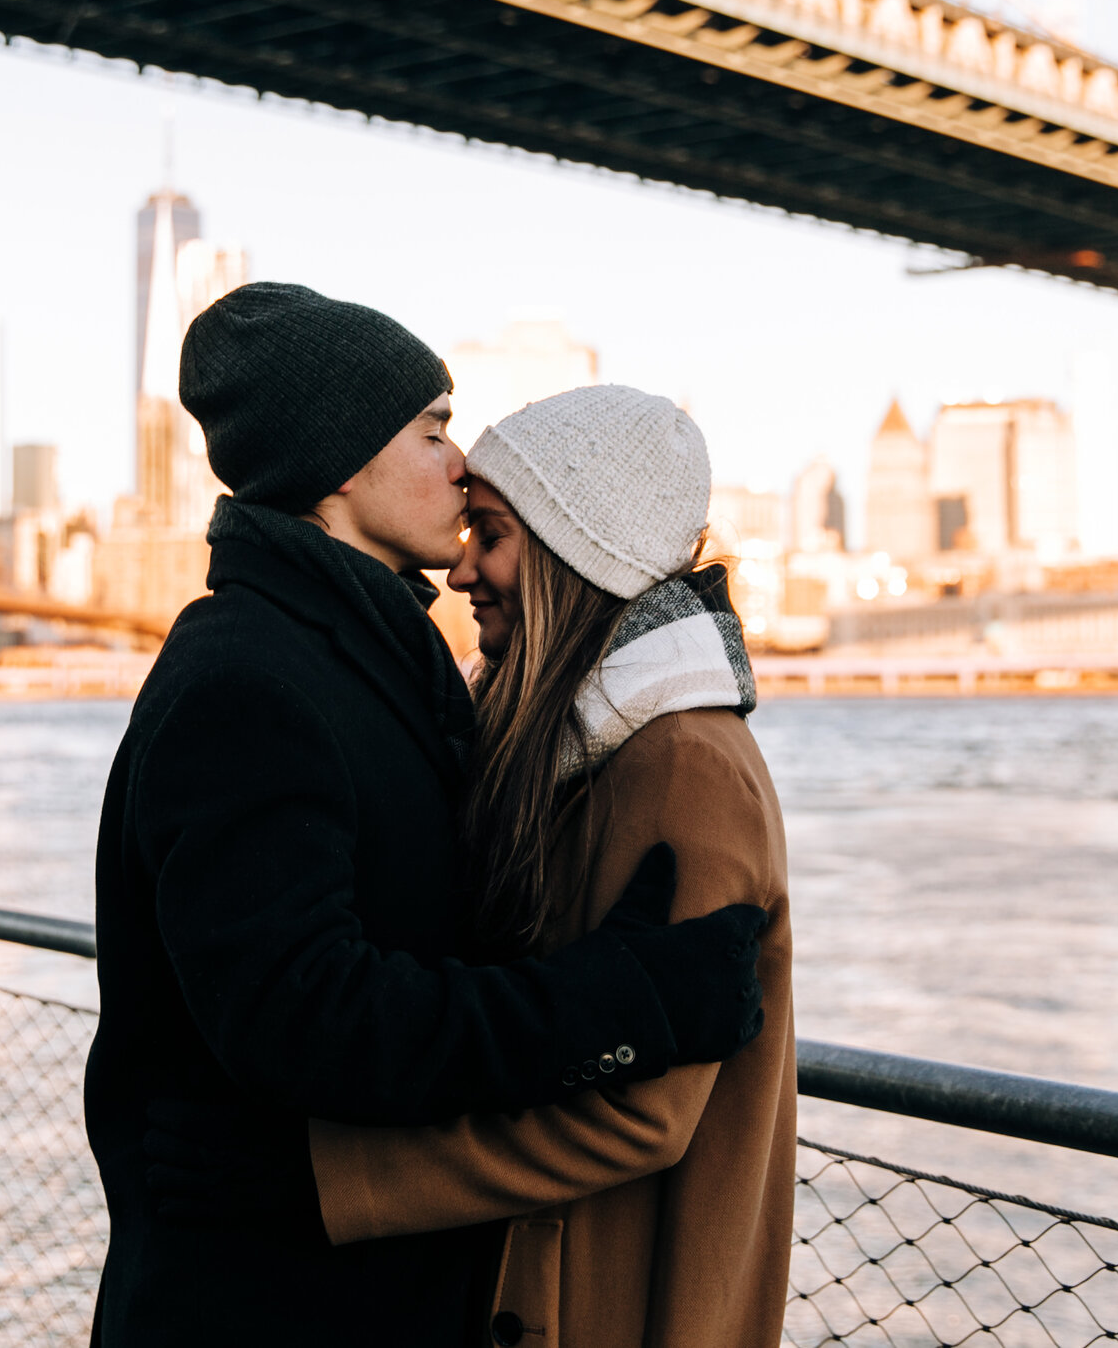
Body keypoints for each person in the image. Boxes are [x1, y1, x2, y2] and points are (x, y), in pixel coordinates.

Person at [86, 287, 772, 1347]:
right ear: (345, 461)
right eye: (435, 428)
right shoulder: (247, 678)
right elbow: (305, 1011)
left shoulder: (397, 674)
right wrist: (611, 1001)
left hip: (369, 1297)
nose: (458, 464)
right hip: (263, 1307)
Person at [302, 385, 796, 1348]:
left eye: (490, 533)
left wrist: (333, 1173)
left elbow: (641, 1115)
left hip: (618, 1301)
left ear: (581, 551)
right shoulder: (582, 747)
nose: (462, 569)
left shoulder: (682, 765)